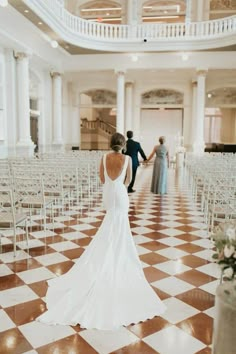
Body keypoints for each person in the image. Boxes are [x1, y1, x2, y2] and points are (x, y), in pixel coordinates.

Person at [36, 132, 166, 330]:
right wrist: (119, 185)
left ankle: (106, 253)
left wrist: (112, 185)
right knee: (120, 225)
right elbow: (129, 180)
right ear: (122, 145)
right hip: (121, 195)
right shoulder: (128, 159)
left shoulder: (104, 158)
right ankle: (116, 256)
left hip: (108, 194)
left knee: (109, 222)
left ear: (110, 143)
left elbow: (102, 178)